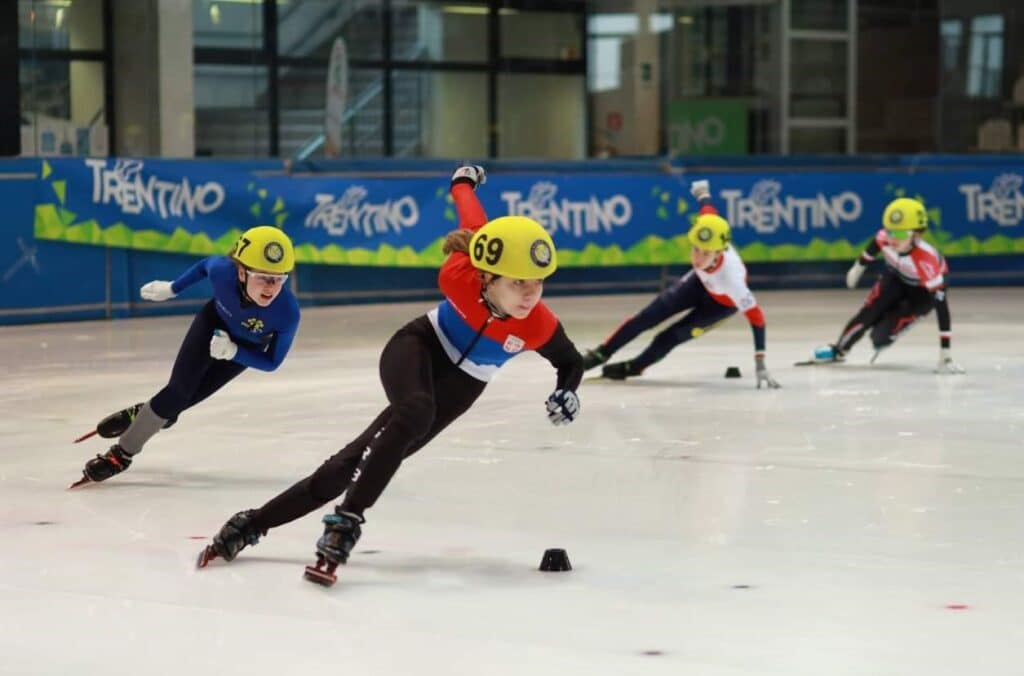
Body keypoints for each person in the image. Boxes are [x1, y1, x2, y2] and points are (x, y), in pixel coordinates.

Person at [196, 165, 584, 584]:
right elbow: (472, 218)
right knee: (414, 411)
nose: (531, 295)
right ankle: (346, 521)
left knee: (349, 464)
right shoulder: (460, 272)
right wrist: (463, 181)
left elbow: (570, 361)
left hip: (465, 382)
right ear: (487, 276)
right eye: (519, 283)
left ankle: (252, 523)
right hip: (420, 344)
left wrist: (567, 392)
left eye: (539, 283)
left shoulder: (538, 323)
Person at [71, 226, 300, 487]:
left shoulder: (287, 312)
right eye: (262, 278)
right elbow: (204, 266)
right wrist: (172, 288)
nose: (271, 288)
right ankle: (121, 455)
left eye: (279, 279)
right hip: (212, 323)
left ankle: (147, 413)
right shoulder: (223, 272)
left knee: (179, 403)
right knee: (177, 393)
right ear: (240, 271)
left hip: (244, 350)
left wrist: (234, 351)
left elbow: (272, 363)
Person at [580, 179, 780, 389]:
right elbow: (708, 209)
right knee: (648, 316)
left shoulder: (733, 281)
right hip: (699, 282)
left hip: (721, 305)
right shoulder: (709, 228)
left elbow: (757, 319)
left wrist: (760, 362)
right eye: (695, 249)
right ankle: (601, 353)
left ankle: (636, 367)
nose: (698, 258)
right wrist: (702, 192)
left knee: (671, 336)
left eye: (705, 253)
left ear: (719, 252)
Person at [811, 197, 964, 373]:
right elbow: (873, 247)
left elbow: (942, 308)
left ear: (917, 234)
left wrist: (946, 353)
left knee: (879, 339)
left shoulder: (926, 261)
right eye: (890, 232)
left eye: (900, 234)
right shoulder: (885, 237)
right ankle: (839, 350)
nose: (893, 239)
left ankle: (890, 326)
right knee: (868, 314)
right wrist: (857, 268)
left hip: (922, 293)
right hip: (896, 278)